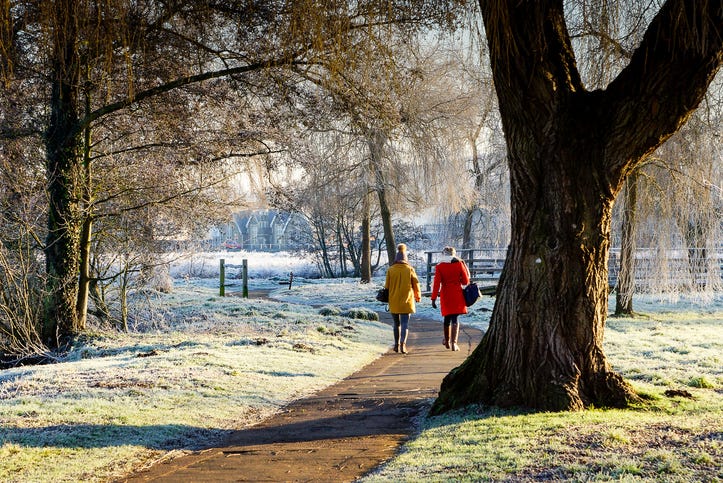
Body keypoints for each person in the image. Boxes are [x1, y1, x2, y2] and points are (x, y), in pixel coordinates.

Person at [430, 246, 470, 351]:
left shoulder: (439, 266)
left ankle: (447, 341)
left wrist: (433, 298)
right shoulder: (459, 263)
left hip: (445, 293)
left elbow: (436, 284)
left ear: (443, 254)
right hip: (457, 293)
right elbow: (466, 281)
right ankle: (454, 343)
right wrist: (458, 280)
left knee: (447, 317)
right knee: (455, 318)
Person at [384, 243, 421, 354]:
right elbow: (416, 284)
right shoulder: (410, 269)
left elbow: (387, 286)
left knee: (396, 324)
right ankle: (403, 345)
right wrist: (417, 295)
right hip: (407, 299)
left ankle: (396, 345)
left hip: (394, 300)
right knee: (405, 323)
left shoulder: (390, 270)